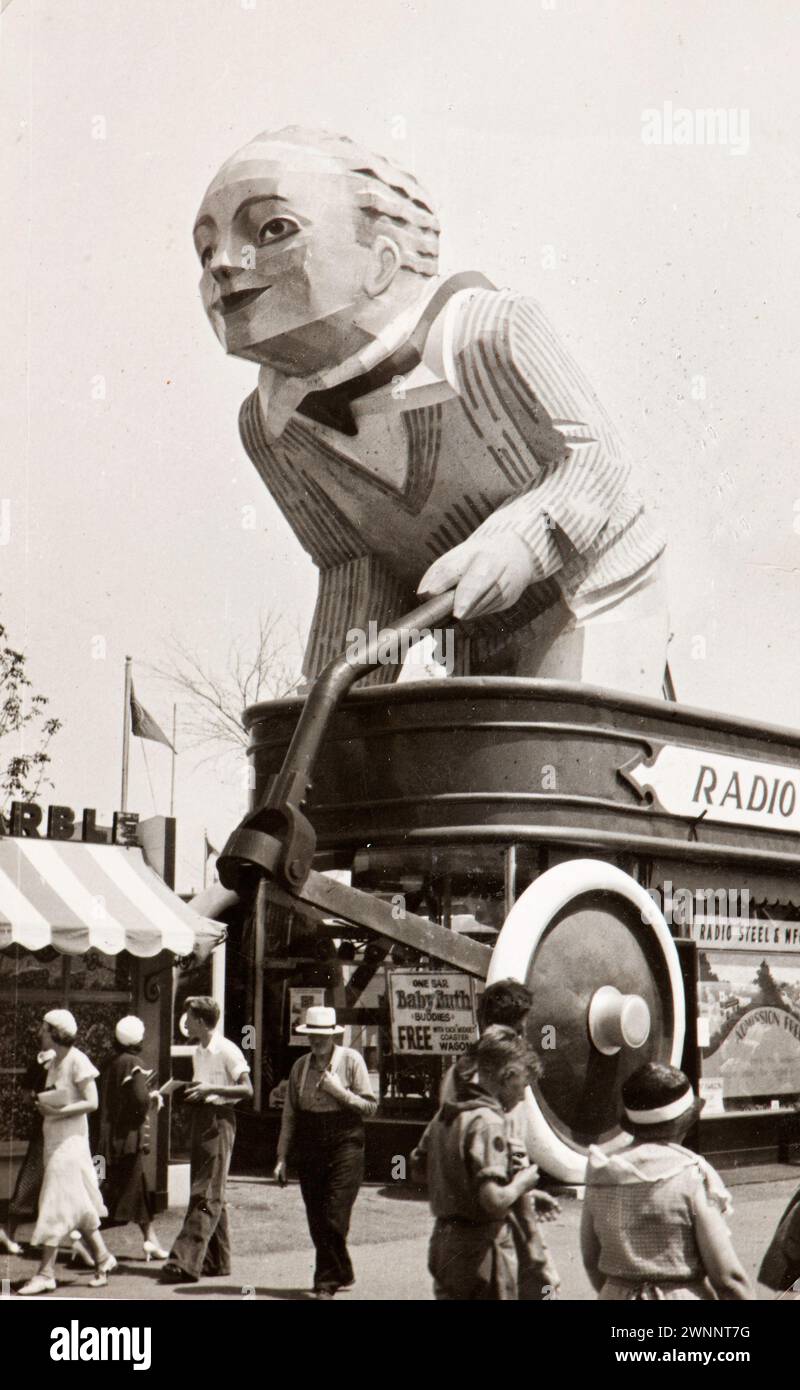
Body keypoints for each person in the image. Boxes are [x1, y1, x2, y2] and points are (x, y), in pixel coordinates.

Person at [196, 126, 668, 697]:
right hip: (474, 633)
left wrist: (520, 541)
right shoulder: (272, 428)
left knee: (558, 735)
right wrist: (338, 691)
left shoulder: (487, 332)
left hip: (594, 597)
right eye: (206, 250)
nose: (223, 264)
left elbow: (596, 461)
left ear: (382, 260)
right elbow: (356, 566)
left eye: (272, 229)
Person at [580, 1062, 751, 1301]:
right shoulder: (691, 1174)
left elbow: (591, 1259)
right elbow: (728, 1279)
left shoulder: (602, 1170)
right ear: (683, 1124)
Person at [419, 1027, 544, 1299]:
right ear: (507, 1076)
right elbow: (493, 1200)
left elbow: (416, 1167)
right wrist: (522, 1184)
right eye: (523, 1085)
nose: (523, 1096)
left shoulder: (447, 1113)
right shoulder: (489, 1122)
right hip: (481, 1249)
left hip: (444, 1241)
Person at [274, 1005, 377, 1299]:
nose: (316, 1040)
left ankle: (325, 1282)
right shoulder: (300, 1067)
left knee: (334, 1214)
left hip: (346, 1142)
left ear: (333, 1035)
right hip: (310, 1143)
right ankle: (342, 1269)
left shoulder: (351, 1060)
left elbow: (370, 1107)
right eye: (312, 1035)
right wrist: (281, 1158)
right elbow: (289, 1116)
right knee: (317, 1217)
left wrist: (338, 1091)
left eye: (322, 1035)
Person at [17, 1011, 115, 1296]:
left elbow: (92, 1102)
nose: (39, 1033)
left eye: (44, 1029)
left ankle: (45, 1273)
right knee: (76, 1204)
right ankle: (103, 1258)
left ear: (56, 1033)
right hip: (54, 1140)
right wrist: (44, 1104)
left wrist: (57, 1111)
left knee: (53, 1202)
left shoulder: (77, 1060)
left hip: (70, 1144)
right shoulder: (53, 1062)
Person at [159, 996, 252, 1285]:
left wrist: (211, 1089)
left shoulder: (227, 1049)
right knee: (210, 1189)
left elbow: (247, 1089)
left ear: (200, 1021)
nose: (185, 1023)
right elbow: (204, 1086)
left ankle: (183, 1261)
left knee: (206, 1191)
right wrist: (191, 1090)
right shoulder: (198, 1051)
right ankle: (217, 1260)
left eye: (188, 1018)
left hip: (219, 1120)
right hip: (202, 1117)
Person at [94, 1016, 168, 1261]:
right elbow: (139, 1099)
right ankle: (83, 1239)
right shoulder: (133, 1062)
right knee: (113, 1192)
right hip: (125, 1139)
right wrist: (153, 1097)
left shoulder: (109, 1062)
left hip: (106, 1138)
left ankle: (150, 1240)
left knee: (134, 1187)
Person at [0, 1046, 54, 1255]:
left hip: (59, 1128)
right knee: (33, 1176)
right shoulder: (41, 1063)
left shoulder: (62, 1061)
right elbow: (26, 1096)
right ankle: (9, 1230)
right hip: (46, 1128)